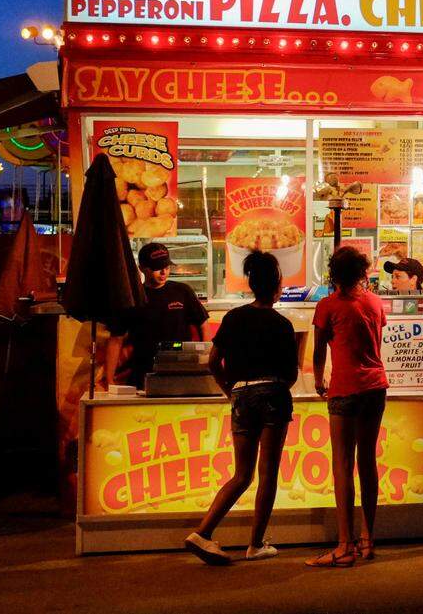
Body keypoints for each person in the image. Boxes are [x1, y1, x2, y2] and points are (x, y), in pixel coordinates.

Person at [185, 250, 298, 565]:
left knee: (242, 474)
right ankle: (256, 544)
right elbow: (290, 375)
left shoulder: (233, 318)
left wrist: (230, 391)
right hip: (273, 395)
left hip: (242, 397)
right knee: (267, 474)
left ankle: (202, 533)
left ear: (251, 285)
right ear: (276, 287)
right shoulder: (282, 324)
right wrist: (272, 388)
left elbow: (212, 362)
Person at [309, 246, 388, 567]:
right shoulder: (374, 302)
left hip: (344, 389)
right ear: (362, 272)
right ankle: (368, 540)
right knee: (367, 462)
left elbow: (317, 353)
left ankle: (345, 545)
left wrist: (318, 381)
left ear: (333, 275)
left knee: (343, 465)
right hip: (375, 386)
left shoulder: (327, 306)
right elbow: (376, 340)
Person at [106, 243, 207, 389]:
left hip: (181, 369)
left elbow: (203, 324)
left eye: (166, 266)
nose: (163, 272)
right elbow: (116, 339)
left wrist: (206, 361)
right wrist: (109, 380)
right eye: (157, 268)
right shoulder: (132, 298)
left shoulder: (182, 291)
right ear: (142, 269)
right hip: (144, 372)